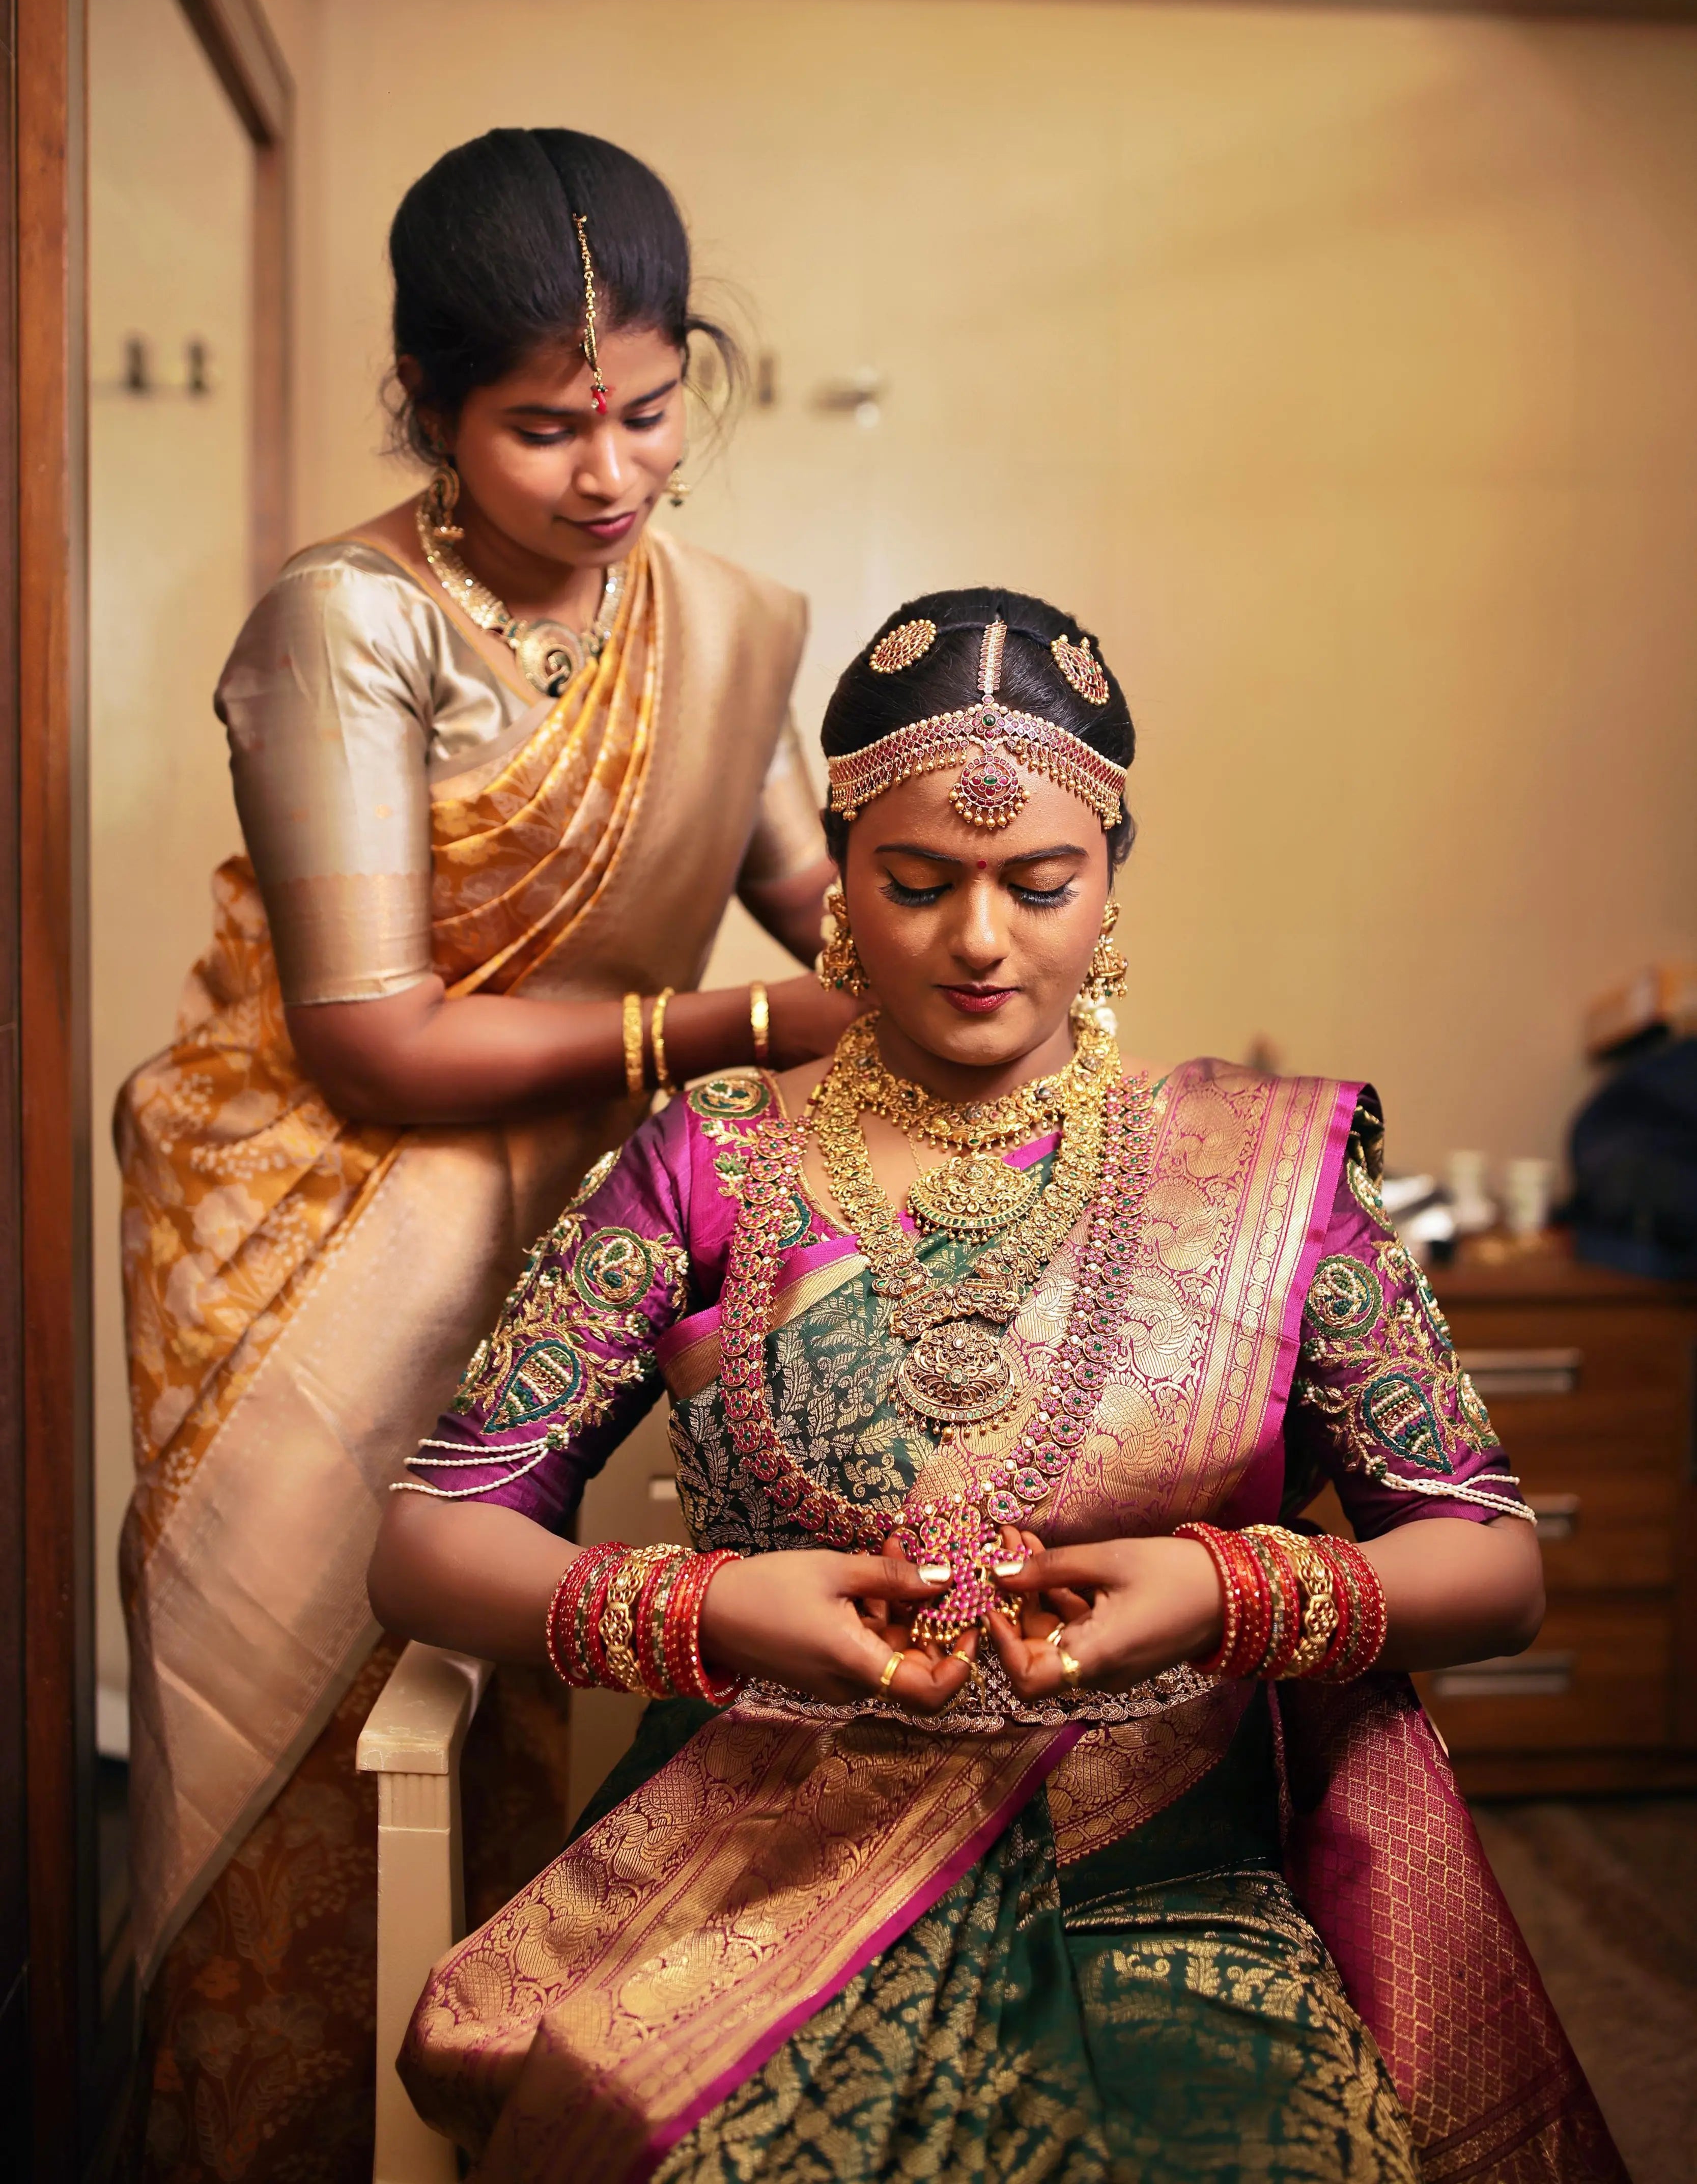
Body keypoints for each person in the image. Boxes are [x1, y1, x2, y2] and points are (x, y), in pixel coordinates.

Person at [368, 588, 1625, 2184]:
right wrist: (712, 1616)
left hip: (1160, 1869)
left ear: (1112, 879)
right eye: (917, 883)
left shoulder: (1259, 1174)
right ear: (838, 882)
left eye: (1041, 883)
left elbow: (1491, 1561)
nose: (980, 941)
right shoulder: (715, 1157)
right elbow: (429, 1539)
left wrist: (1223, 1594)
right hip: (756, 1846)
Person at [117, 129, 853, 2183]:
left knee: (520, 1685)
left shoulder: (708, 618)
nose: (607, 470)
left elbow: (813, 901)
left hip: (567, 1227)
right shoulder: (347, 622)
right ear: (431, 402)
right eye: (544, 425)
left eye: (642, 409)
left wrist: (995, 925)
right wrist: (716, 1029)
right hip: (305, 1231)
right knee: (296, 1759)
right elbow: (372, 1035)